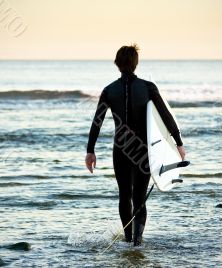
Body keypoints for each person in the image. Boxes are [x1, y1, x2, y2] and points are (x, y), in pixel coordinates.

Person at [85, 44, 186, 246]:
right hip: (142, 150)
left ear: (117, 63)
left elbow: (97, 121)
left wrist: (90, 150)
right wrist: (178, 142)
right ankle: (137, 242)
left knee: (124, 194)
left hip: (121, 148)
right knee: (139, 197)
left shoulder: (108, 90)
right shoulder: (148, 87)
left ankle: (128, 238)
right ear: (135, 63)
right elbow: (165, 115)